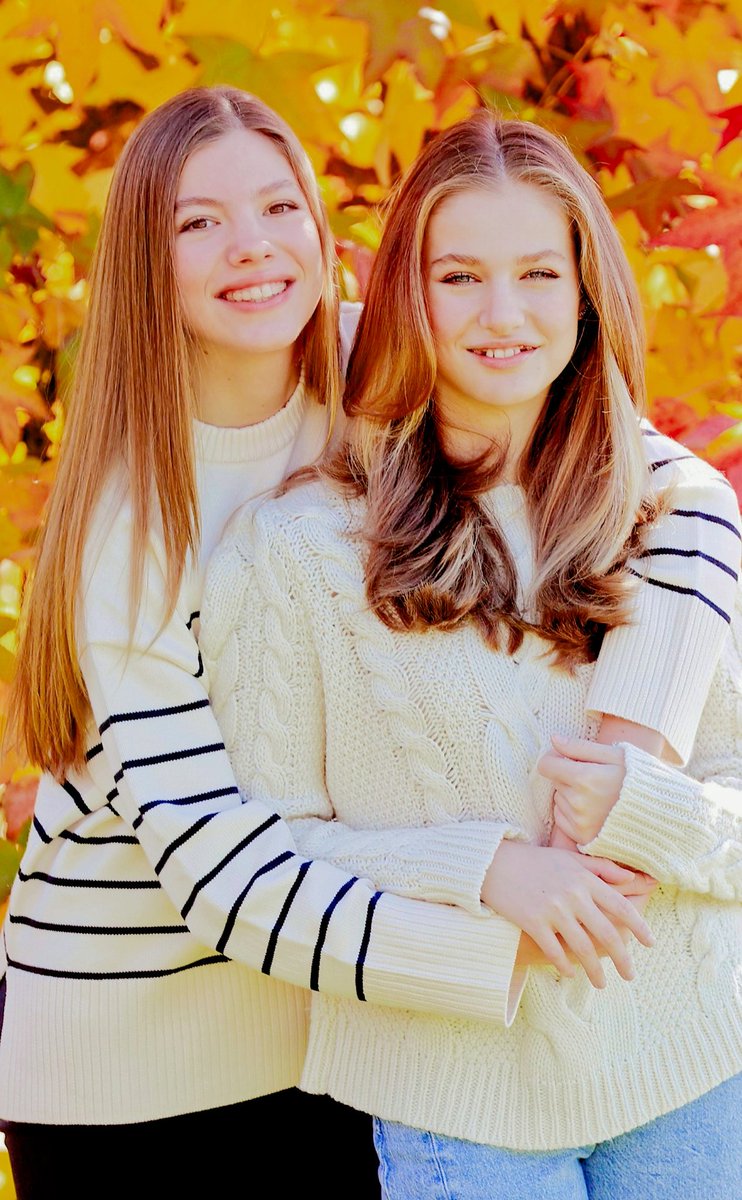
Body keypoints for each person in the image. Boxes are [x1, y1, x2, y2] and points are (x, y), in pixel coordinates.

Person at [0, 87, 568, 1199]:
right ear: (143, 263)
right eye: (196, 222)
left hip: (337, 1036)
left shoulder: (384, 375)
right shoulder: (135, 526)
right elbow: (217, 865)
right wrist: (501, 936)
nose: (250, 247)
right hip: (135, 1071)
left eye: (277, 206)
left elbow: (635, 463)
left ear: (320, 226)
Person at [199, 110, 742, 1199]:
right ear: (406, 293)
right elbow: (268, 855)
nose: (504, 315)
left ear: (588, 291)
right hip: (456, 1104)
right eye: (459, 277)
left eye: (541, 272)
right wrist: (487, 869)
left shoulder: (673, 518)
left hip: (691, 1068)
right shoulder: (297, 550)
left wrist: (659, 811)